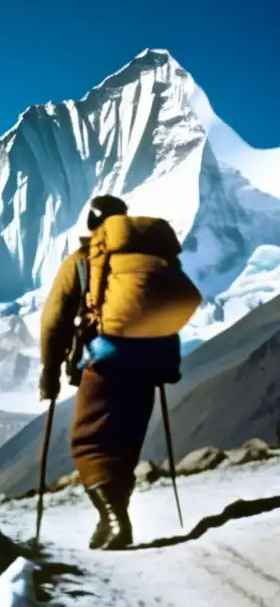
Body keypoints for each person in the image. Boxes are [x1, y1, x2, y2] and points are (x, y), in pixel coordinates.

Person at [40, 195, 199, 551]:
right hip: (153, 361)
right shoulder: (155, 256)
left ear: (92, 225)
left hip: (107, 358)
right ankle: (109, 522)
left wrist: (50, 373)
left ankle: (116, 520)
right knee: (125, 443)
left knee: (90, 442)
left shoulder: (83, 261)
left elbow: (55, 322)